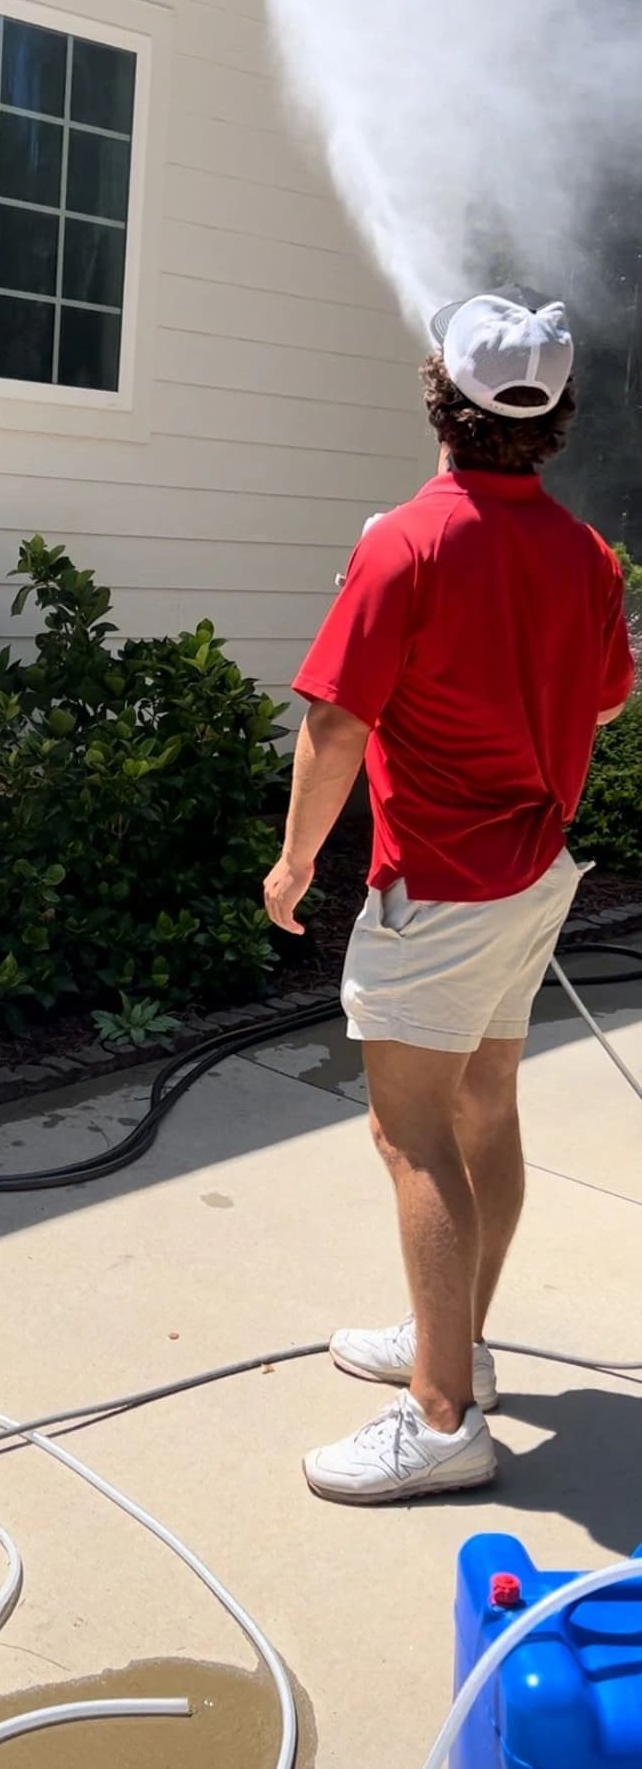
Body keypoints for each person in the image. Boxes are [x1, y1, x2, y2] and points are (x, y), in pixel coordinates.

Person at [263, 290, 635, 1505]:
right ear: (550, 419)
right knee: (485, 1106)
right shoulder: (588, 555)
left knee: (411, 1135)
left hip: (440, 886)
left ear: (442, 401)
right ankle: (455, 1344)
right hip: (531, 875)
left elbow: (335, 725)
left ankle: (439, 1420)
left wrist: (293, 864)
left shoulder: (405, 543)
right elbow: (608, 697)